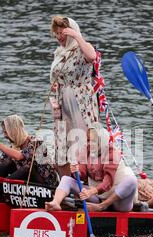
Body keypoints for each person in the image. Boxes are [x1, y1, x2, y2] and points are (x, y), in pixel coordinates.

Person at [49, 15, 100, 177]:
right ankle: (65, 184)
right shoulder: (59, 52)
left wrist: (77, 36)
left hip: (80, 101)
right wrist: (54, 102)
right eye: (56, 34)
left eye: (62, 33)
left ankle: (85, 184)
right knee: (62, 145)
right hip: (62, 102)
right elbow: (54, 80)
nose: (59, 37)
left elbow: (92, 57)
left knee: (82, 142)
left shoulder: (82, 48)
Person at [45, 124, 138, 212]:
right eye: (88, 140)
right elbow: (82, 175)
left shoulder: (112, 153)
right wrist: (75, 171)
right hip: (97, 197)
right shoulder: (86, 150)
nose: (89, 144)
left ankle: (101, 206)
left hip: (118, 202)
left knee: (132, 180)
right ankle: (55, 203)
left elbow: (108, 182)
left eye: (93, 141)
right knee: (66, 179)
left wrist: (90, 192)